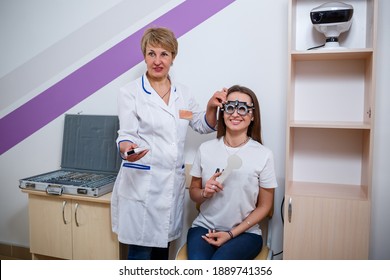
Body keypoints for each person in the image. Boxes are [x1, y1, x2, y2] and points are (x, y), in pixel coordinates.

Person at [110, 26, 226, 260]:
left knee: (162, 252)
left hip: (170, 186)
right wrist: (128, 150)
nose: (157, 60)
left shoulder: (182, 93)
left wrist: (212, 107)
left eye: (164, 54)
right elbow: (126, 135)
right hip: (142, 184)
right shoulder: (130, 92)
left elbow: (202, 125)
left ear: (173, 57)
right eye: (151, 53)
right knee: (140, 254)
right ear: (144, 55)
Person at [186, 85, 278, 260]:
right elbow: (193, 193)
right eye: (230, 107)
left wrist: (230, 234)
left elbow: (265, 206)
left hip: (246, 233)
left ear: (252, 116)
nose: (235, 114)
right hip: (204, 227)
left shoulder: (264, 155)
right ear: (223, 112)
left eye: (243, 108)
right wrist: (205, 192)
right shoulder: (205, 149)